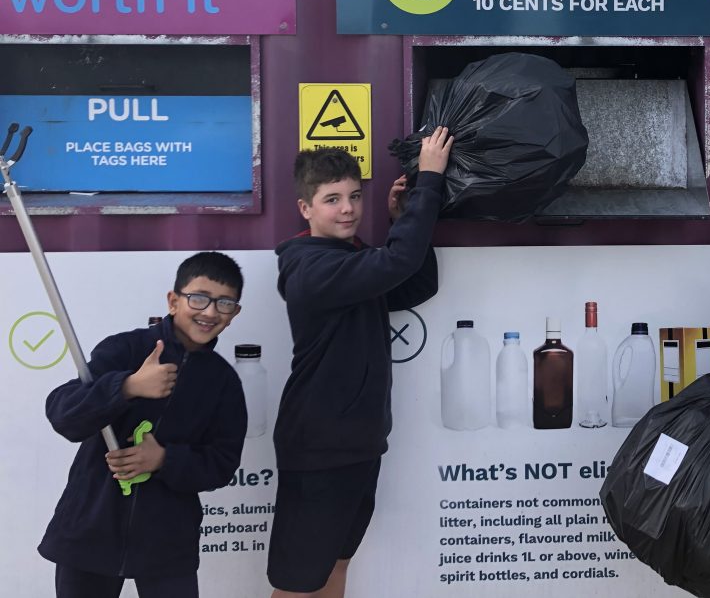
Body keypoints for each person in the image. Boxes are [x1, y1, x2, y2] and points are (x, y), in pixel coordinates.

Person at [268, 129, 452, 598]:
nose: (348, 208)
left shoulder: (349, 259)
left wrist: (401, 219)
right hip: (318, 451)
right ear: (305, 208)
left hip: (358, 446)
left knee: (335, 567)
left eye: (354, 196)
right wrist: (429, 179)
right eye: (332, 199)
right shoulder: (312, 269)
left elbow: (415, 283)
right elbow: (396, 263)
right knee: (297, 583)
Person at [38, 251, 249, 598]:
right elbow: (64, 415)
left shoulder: (223, 381)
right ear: (173, 300)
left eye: (224, 303)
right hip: (91, 529)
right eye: (199, 298)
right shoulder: (125, 349)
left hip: (168, 541)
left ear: (234, 313)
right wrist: (127, 387)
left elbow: (222, 464)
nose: (210, 311)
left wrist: (164, 459)